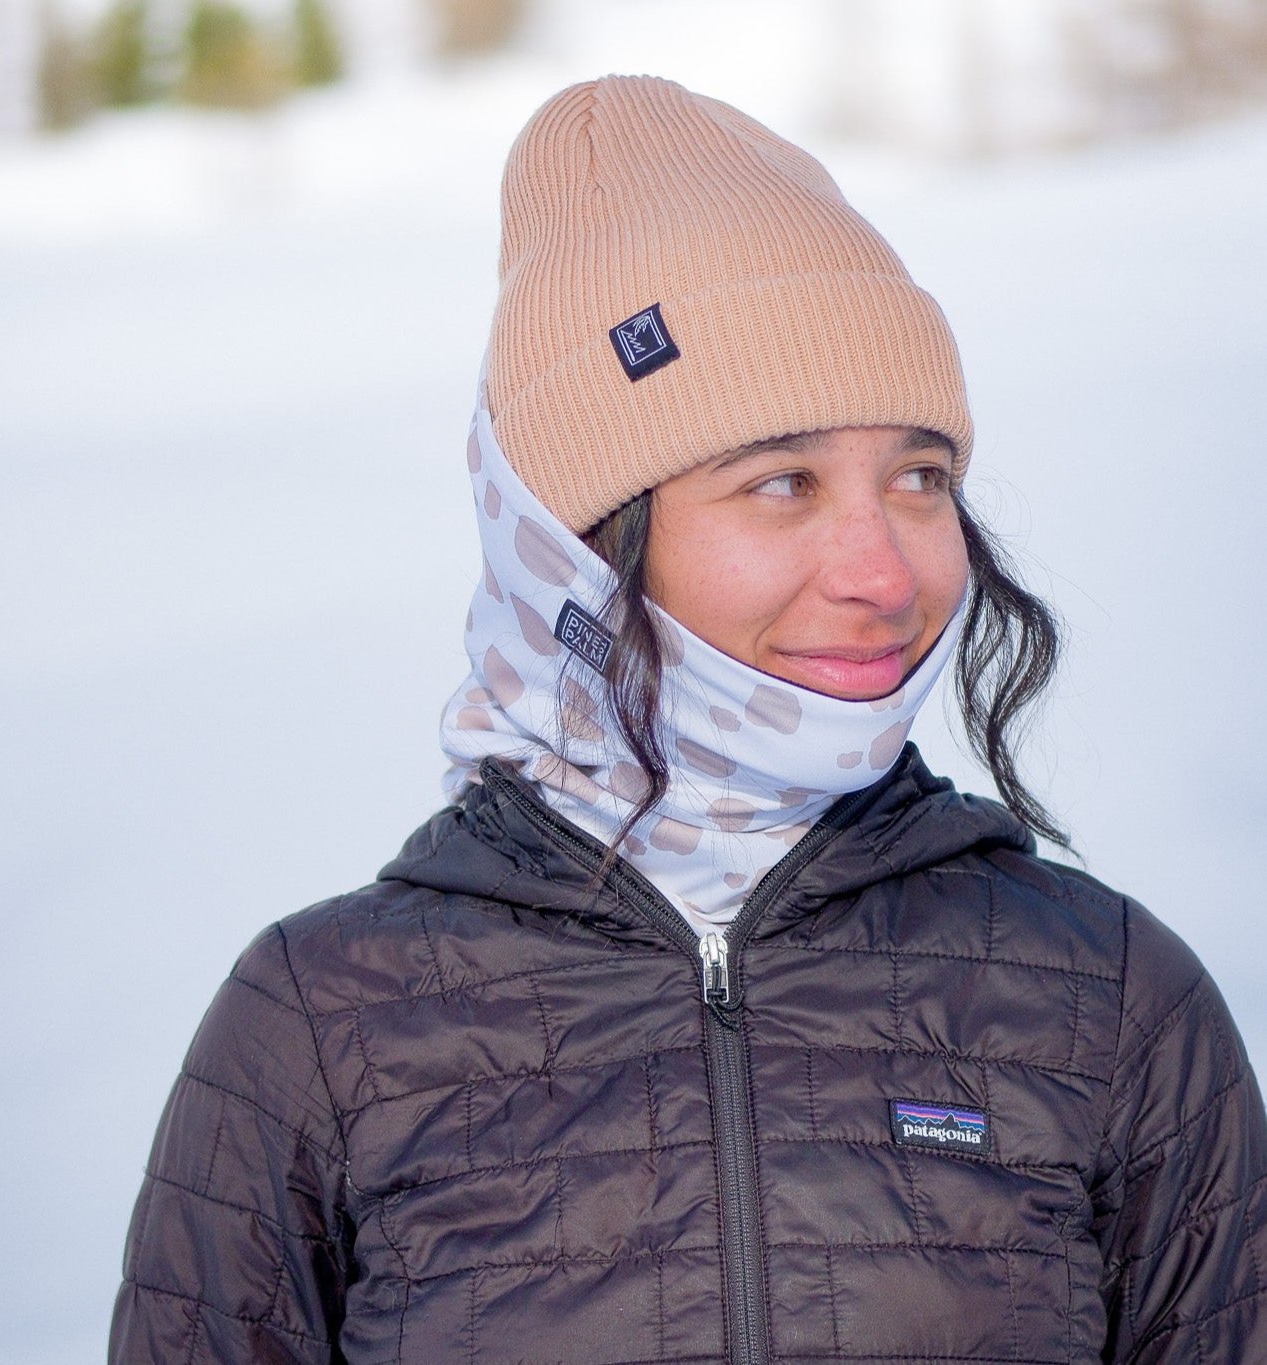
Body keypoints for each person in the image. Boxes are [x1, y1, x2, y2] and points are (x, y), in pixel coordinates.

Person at [110, 76, 1267, 1363]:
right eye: (781, 482)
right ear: (569, 548)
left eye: (919, 475)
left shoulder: (1108, 999)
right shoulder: (325, 1028)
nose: (884, 574)